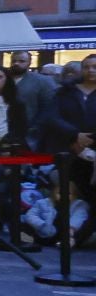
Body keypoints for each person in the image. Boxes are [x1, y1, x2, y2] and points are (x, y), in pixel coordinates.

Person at [41, 54, 96, 216]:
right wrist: (75, 135)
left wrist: (90, 139)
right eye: (87, 67)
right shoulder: (65, 92)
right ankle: (69, 236)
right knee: (73, 196)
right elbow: (51, 116)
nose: (91, 70)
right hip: (69, 150)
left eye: (94, 66)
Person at [8, 51, 57, 151]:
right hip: (5, 130)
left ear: (29, 62)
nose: (16, 63)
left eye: (21, 61)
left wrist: (35, 127)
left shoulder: (43, 81)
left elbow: (48, 108)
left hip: (30, 132)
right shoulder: (3, 79)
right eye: (14, 61)